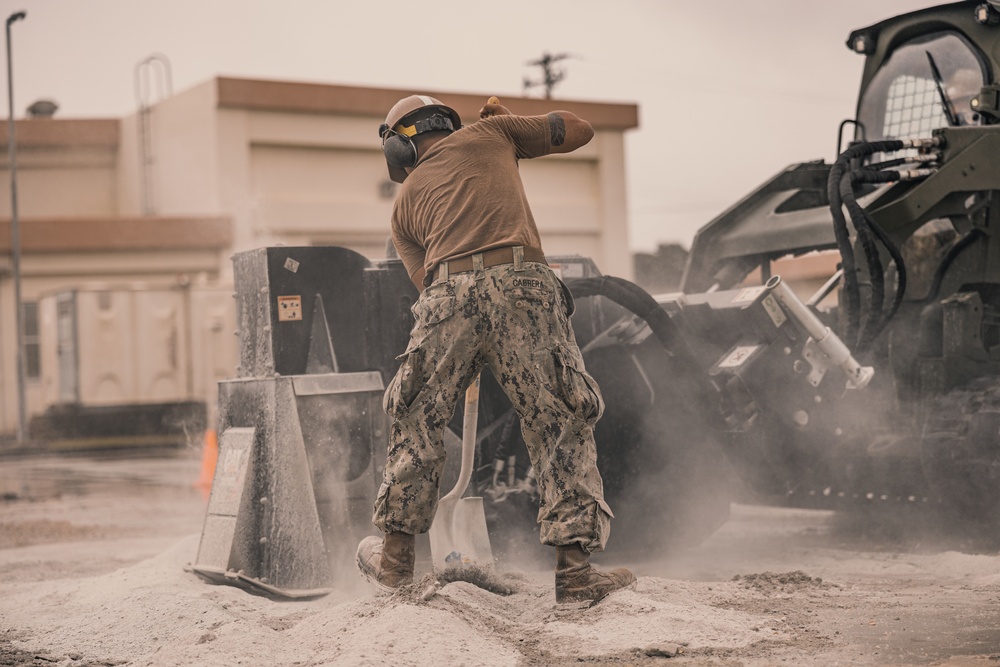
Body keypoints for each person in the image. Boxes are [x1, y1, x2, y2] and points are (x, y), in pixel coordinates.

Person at [356, 93, 636, 605]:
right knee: (560, 418)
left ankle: (395, 565)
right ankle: (574, 573)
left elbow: (428, 285)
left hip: (446, 295)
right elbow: (580, 129)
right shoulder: (492, 134)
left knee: (416, 418)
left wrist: (473, 331)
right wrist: (510, 124)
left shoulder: (404, 205)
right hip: (523, 285)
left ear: (399, 147)